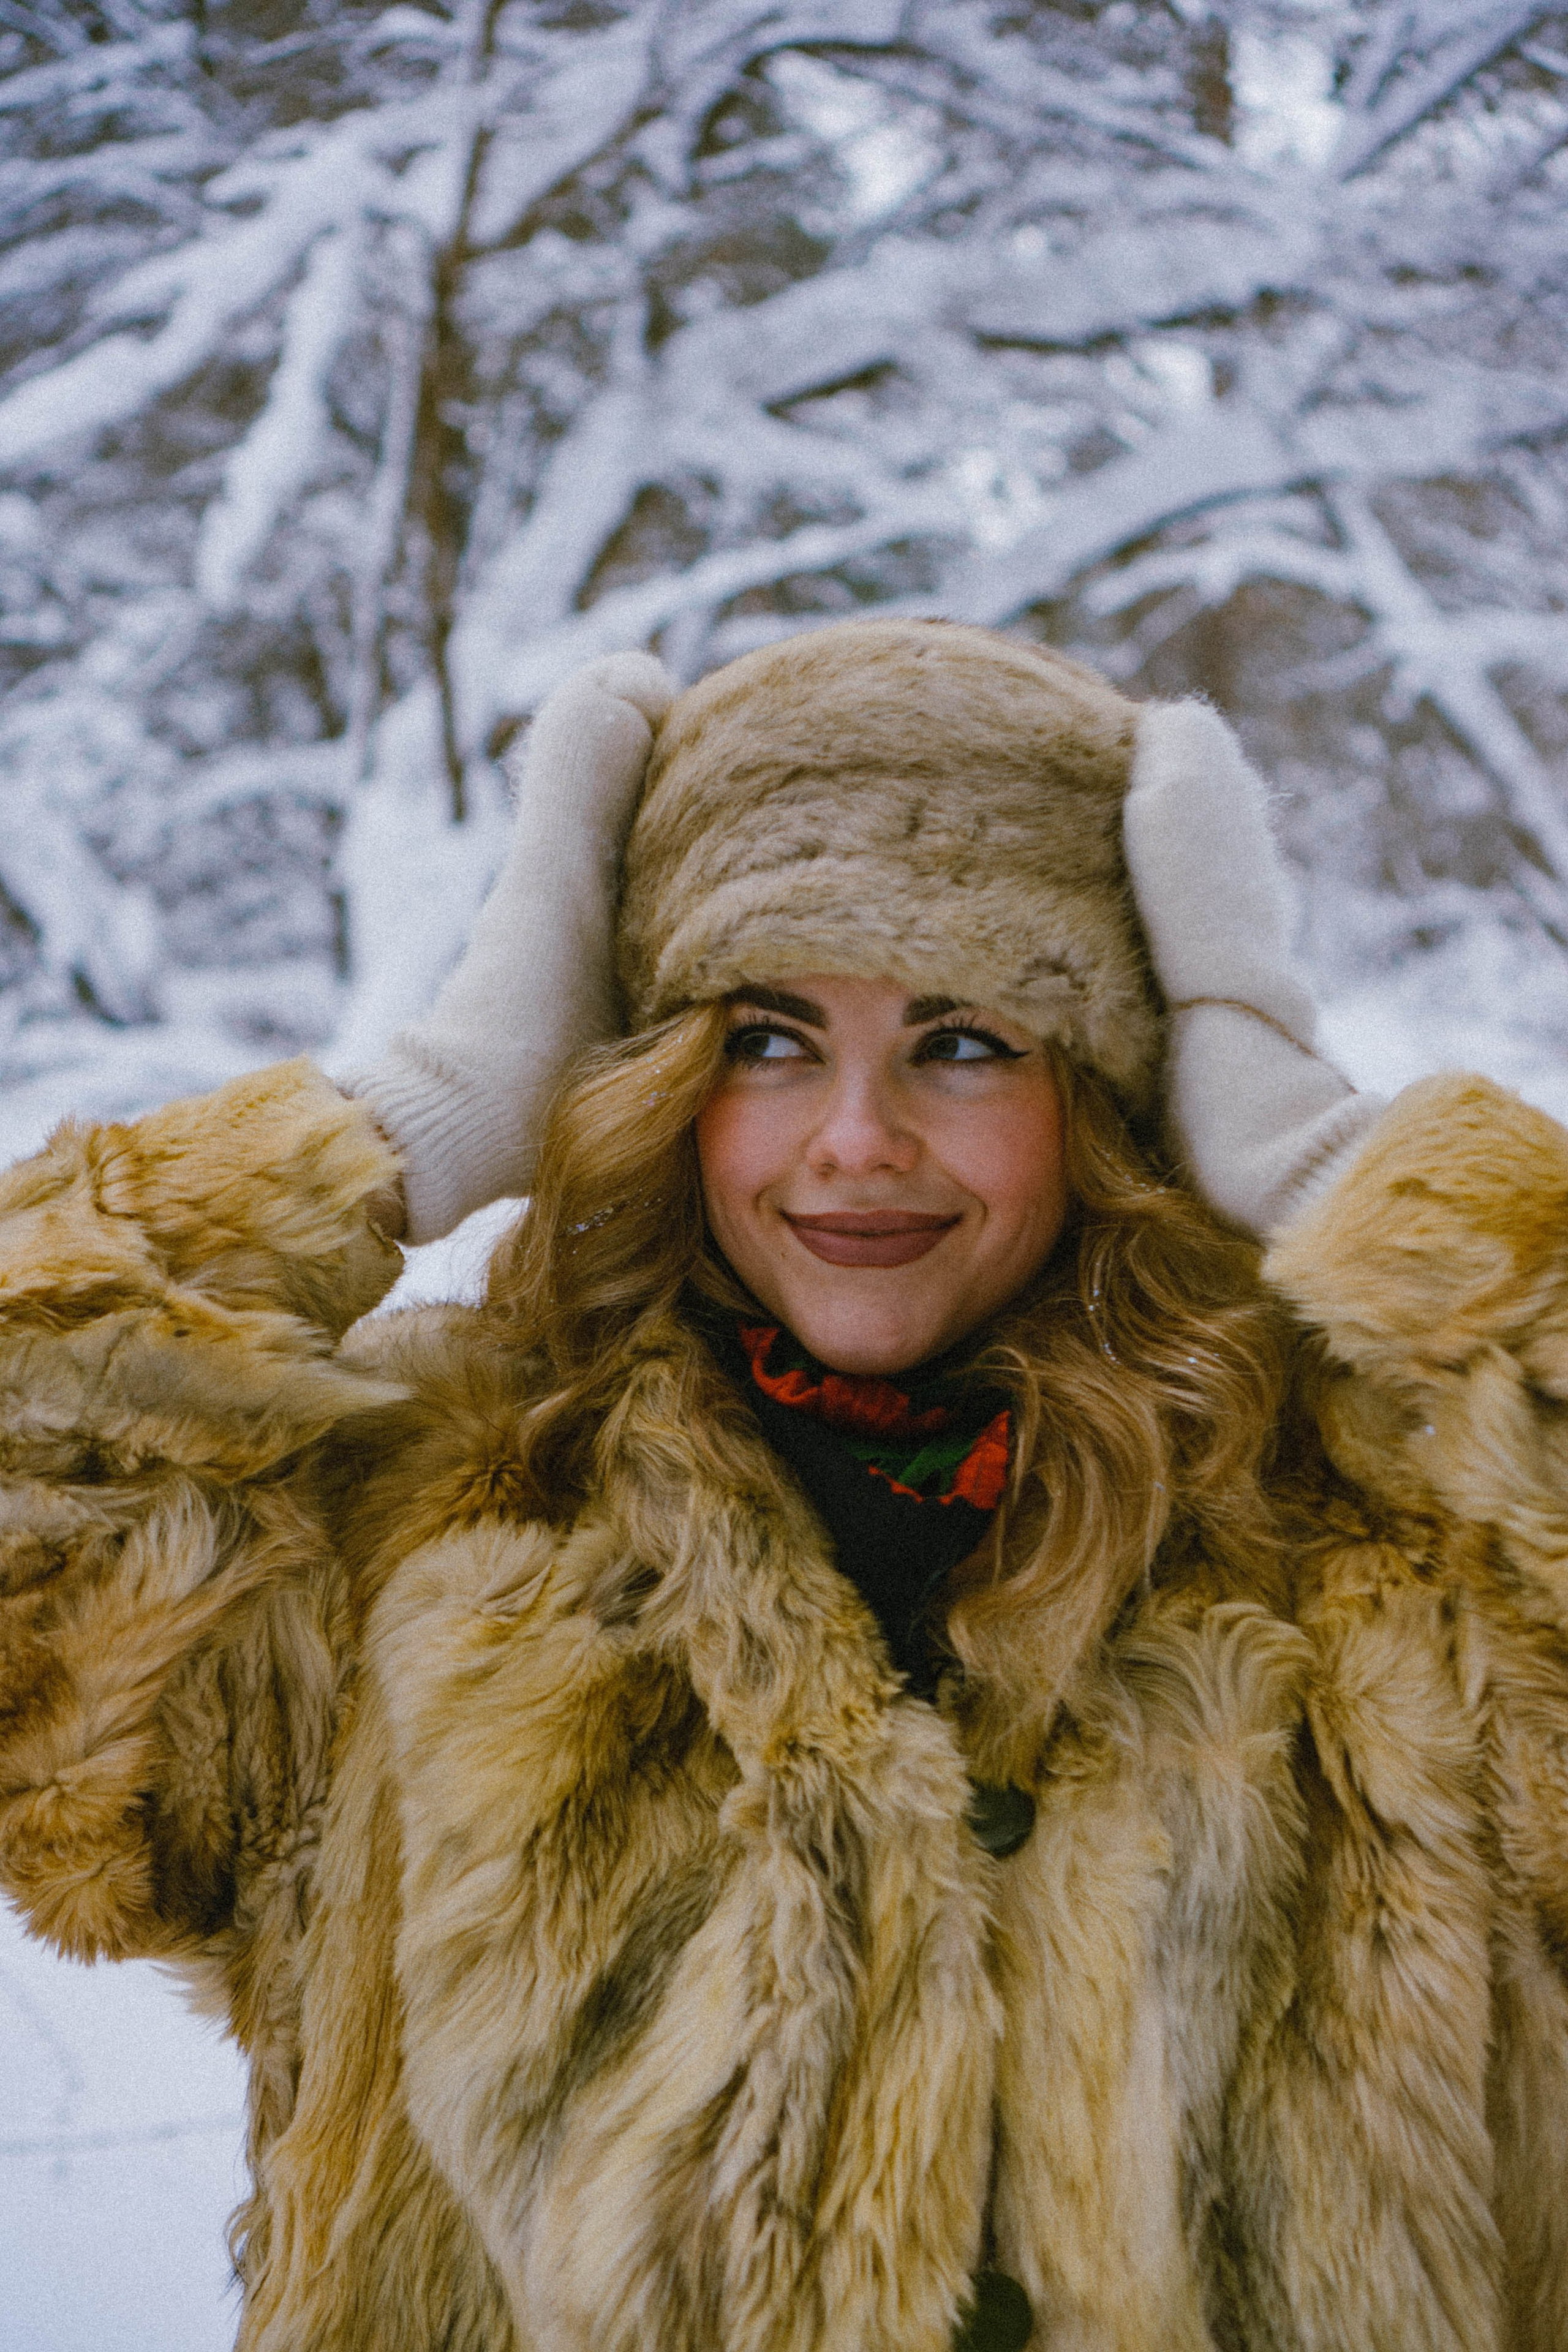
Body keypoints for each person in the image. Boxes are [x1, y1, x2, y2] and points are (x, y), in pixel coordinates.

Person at [1, 617, 1564, 2352]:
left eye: (964, 1038)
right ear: (654, 1075)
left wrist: (1347, 1168)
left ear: (1111, 1092)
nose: (855, 1139)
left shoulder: (1400, 1565)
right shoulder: (415, 1530)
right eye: (765, 1037)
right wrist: (406, 1122)